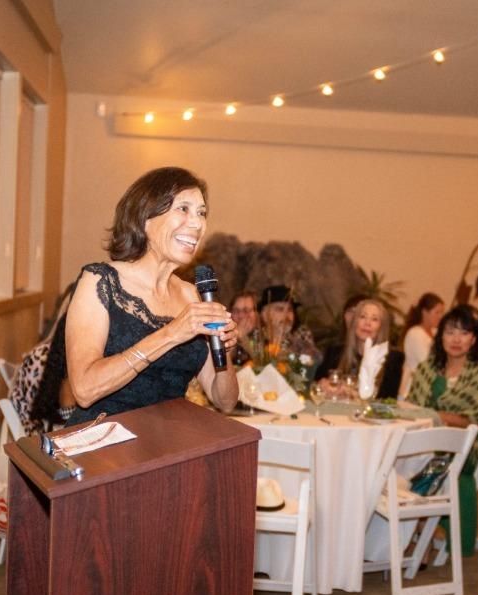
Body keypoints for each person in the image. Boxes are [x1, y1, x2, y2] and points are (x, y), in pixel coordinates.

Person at [64, 166, 239, 425]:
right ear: (145, 218)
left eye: (202, 213)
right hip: (106, 446)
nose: (197, 223)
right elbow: (84, 390)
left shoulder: (192, 295)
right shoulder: (100, 281)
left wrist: (225, 351)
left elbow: (225, 401)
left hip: (167, 444)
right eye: (183, 209)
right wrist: (170, 334)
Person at [406, 305, 478, 557]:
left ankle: (418, 532)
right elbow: (414, 410)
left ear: (474, 339)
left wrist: (439, 417)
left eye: (464, 332)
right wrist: (433, 421)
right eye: (449, 332)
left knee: (429, 461)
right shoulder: (427, 369)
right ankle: (413, 531)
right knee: (399, 457)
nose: (456, 339)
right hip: (426, 438)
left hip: (468, 444)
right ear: (440, 337)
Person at [314, 298, 404, 400]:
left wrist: (350, 391)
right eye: (362, 317)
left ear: (381, 327)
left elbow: (388, 398)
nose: (367, 323)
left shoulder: (393, 358)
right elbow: (316, 384)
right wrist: (323, 384)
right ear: (354, 322)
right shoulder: (334, 352)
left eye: (374, 319)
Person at [254, 284, 320, 363]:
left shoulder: (300, 337)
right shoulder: (254, 339)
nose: (287, 315)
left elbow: (315, 361)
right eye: (280, 309)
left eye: (290, 310)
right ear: (265, 315)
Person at [228, 289, 258, 367]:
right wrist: (236, 337)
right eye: (236, 311)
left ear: (256, 313)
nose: (241, 316)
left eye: (246, 310)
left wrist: (244, 339)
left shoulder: (264, 336)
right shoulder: (224, 336)